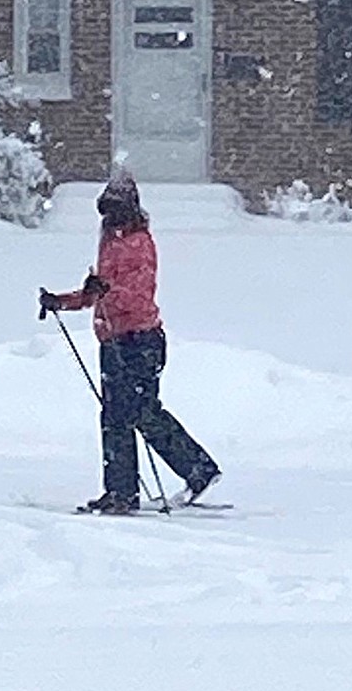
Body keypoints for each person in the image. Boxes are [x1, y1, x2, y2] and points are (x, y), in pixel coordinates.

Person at [39, 170, 221, 514]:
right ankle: (126, 489)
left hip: (140, 340)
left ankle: (184, 473)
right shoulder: (109, 243)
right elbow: (99, 294)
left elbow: (137, 295)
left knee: (136, 413)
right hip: (113, 340)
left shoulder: (140, 243)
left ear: (131, 209)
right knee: (117, 416)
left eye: (117, 209)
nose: (111, 217)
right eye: (106, 210)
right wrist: (61, 301)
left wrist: (104, 292)